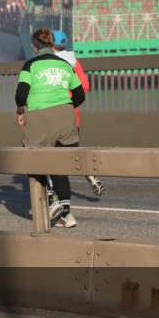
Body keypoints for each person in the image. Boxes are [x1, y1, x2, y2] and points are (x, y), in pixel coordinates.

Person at [15, 29, 86, 228]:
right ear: (52, 45)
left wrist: (20, 110)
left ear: (34, 46)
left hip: (40, 117)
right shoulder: (65, 64)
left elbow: (21, 94)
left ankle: (53, 199)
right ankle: (66, 215)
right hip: (66, 117)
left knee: (33, 159)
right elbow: (80, 95)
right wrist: (65, 107)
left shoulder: (30, 65)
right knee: (59, 167)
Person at [51, 31, 105, 198]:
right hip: (73, 115)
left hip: (53, 114)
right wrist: (70, 99)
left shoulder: (50, 64)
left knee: (50, 157)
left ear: (51, 45)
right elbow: (85, 86)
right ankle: (88, 172)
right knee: (73, 150)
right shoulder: (74, 62)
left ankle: (56, 197)